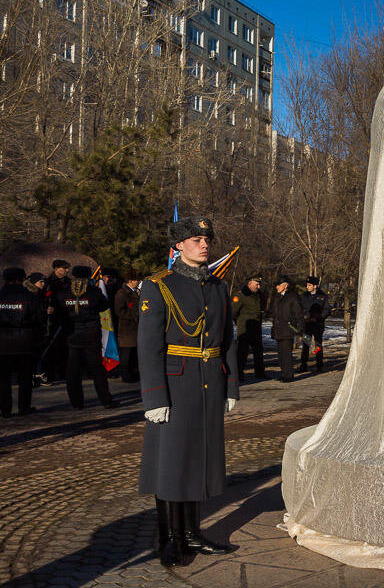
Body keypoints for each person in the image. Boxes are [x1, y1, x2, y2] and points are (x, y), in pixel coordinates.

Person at [138, 216, 239, 567]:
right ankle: (169, 538)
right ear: (179, 245)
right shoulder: (158, 285)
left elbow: (227, 340)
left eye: (207, 238)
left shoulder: (217, 286)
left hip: (209, 381)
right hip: (174, 384)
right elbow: (149, 345)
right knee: (171, 464)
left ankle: (193, 534)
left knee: (201, 459)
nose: (205, 244)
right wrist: (154, 398)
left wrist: (231, 386)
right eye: (196, 239)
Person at [53, 265, 117, 410]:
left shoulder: (64, 293)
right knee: (97, 370)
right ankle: (106, 400)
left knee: (72, 371)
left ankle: (76, 402)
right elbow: (104, 306)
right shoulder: (94, 292)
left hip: (72, 334)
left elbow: (58, 310)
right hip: (91, 334)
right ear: (88, 277)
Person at [0, 267, 43, 417]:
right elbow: (39, 319)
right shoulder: (30, 297)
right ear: (21, 279)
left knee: (3, 379)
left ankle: (5, 409)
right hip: (25, 342)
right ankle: (24, 407)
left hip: (3, 343)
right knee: (25, 378)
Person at [42, 259, 71, 384]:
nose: (66, 270)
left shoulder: (69, 282)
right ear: (56, 269)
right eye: (64, 268)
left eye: (67, 268)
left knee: (65, 347)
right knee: (51, 347)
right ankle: (50, 373)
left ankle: (63, 372)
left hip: (66, 317)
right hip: (52, 319)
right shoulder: (49, 282)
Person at [269, 275, 302, 382]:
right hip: (279, 329)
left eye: (278, 285)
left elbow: (298, 314)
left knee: (287, 353)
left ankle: (289, 375)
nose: (276, 287)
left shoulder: (292, 297)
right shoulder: (278, 297)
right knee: (281, 354)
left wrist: (299, 329)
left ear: (285, 285)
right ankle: (284, 373)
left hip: (288, 329)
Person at [232, 275, 266, 380]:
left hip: (256, 328)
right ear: (250, 283)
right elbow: (233, 312)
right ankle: (239, 374)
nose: (259, 286)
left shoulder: (258, 295)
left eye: (259, 284)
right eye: (257, 284)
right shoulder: (240, 295)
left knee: (258, 352)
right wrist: (240, 322)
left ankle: (260, 373)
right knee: (242, 352)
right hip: (245, 329)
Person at [114, 270, 142, 383]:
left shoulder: (136, 292)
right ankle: (126, 375)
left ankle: (134, 374)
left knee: (134, 355)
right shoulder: (122, 293)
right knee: (126, 354)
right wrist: (134, 316)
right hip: (127, 329)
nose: (138, 282)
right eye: (137, 280)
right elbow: (119, 311)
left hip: (135, 328)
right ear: (130, 281)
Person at [299, 276, 330, 373]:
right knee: (306, 345)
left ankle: (319, 365)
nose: (307, 287)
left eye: (309, 285)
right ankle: (303, 364)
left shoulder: (323, 296)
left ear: (315, 286)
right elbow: (300, 309)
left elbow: (327, 309)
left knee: (317, 345)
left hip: (318, 325)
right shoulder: (304, 296)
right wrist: (304, 317)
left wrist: (319, 318)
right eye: (307, 285)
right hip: (307, 325)